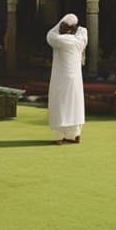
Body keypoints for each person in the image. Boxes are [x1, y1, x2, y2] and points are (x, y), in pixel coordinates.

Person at [46, 13, 87, 144]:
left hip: (61, 80)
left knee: (61, 104)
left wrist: (62, 24)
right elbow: (83, 31)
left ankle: (59, 136)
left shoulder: (61, 40)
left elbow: (49, 35)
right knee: (74, 105)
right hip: (75, 82)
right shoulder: (80, 40)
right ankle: (74, 135)